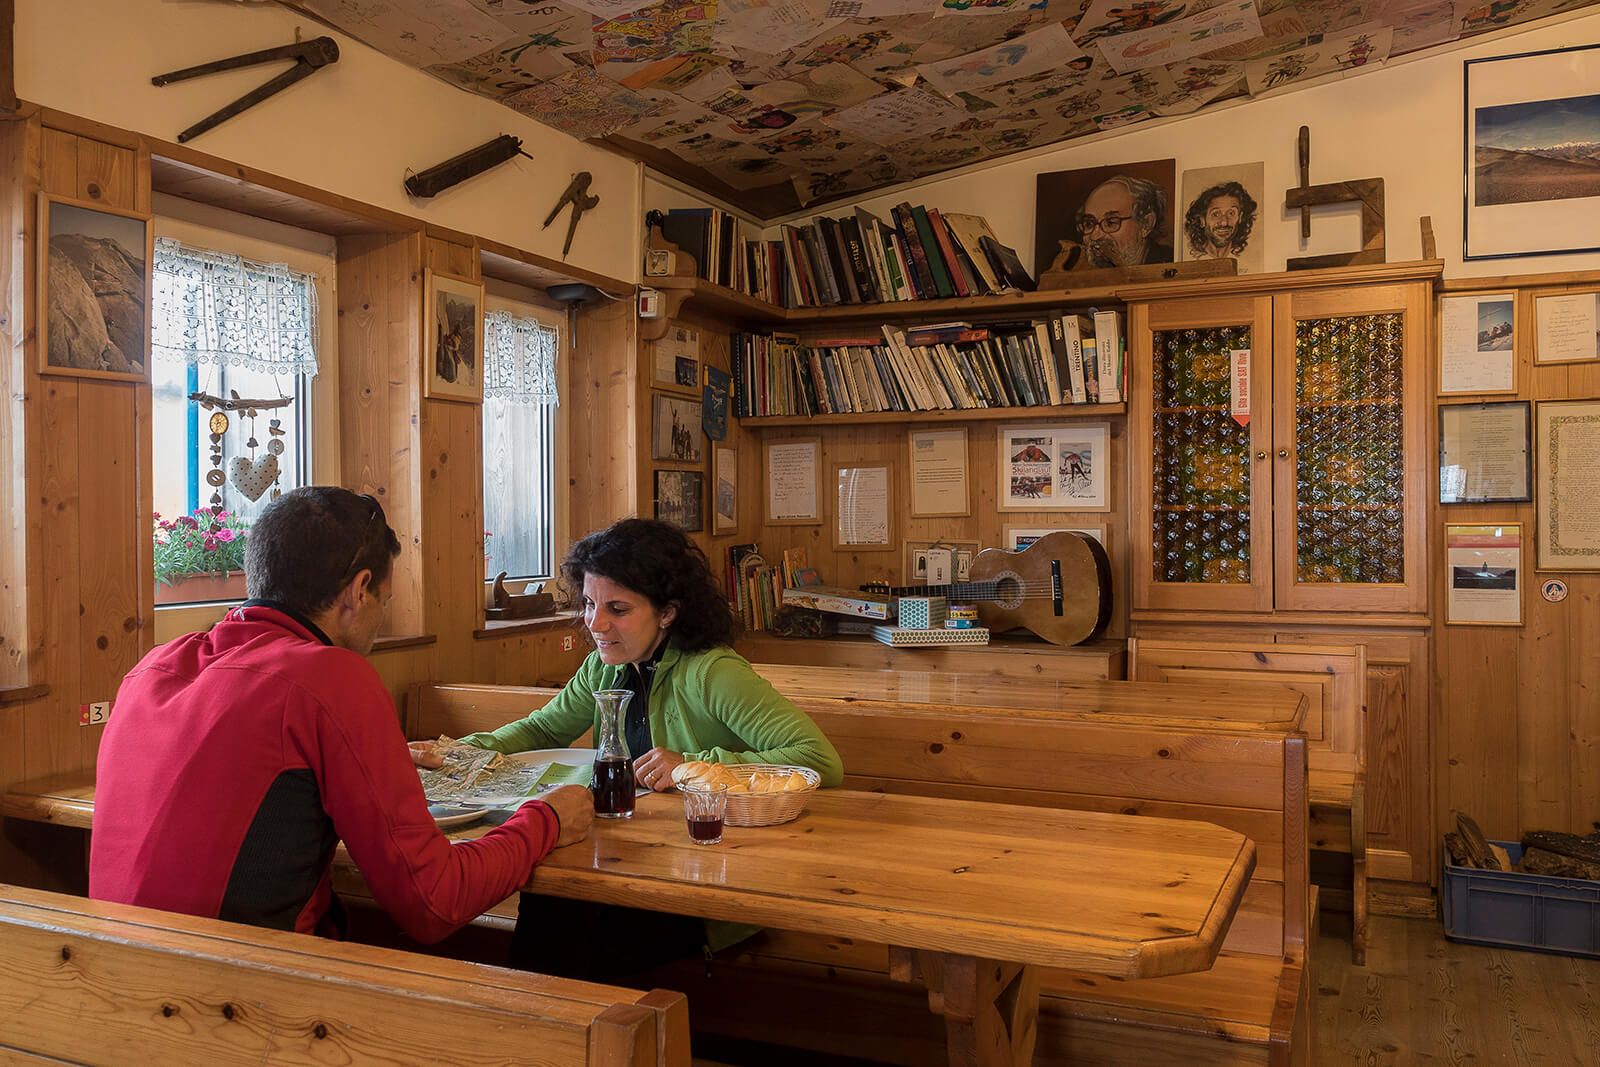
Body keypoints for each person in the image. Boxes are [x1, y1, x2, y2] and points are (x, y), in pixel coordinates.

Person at [90, 487, 594, 944]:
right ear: (360, 589)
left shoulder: (151, 667)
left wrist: (375, 760)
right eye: (386, 601)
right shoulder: (330, 677)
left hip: (106, 983)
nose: (382, 618)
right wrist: (547, 819)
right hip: (232, 1000)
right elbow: (436, 903)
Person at [450, 517, 843, 982]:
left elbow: (820, 761)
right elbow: (543, 729)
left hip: (708, 875)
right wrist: (458, 753)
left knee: (586, 929)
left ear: (668, 613)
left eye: (617, 608)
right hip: (624, 859)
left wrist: (696, 767)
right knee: (550, 901)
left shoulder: (713, 673)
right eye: (590, 604)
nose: (595, 624)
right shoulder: (603, 667)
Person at [1076, 175, 1173, 268]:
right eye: (1089, 224)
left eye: (1110, 222)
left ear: (1146, 224)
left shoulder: (1170, 264)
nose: (1095, 236)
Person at [1183, 181, 1258, 261]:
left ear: (1240, 217)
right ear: (1202, 220)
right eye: (1216, 214)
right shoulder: (1192, 259)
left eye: (1231, 213)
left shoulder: (1248, 259)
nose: (1224, 222)